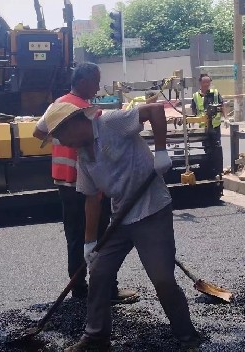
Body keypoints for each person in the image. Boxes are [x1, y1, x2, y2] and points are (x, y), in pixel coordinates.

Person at [39, 101, 200, 351]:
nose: (60, 142)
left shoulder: (110, 123)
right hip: (121, 219)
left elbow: (156, 110)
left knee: (162, 278)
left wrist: (160, 151)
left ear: (74, 124)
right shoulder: (83, 157)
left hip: (151, 210)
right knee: (100, 272)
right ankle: (96, 337)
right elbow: (92, 199)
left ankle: (188, 336)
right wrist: (90, 243)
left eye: (59, 135)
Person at [33, 63, 138, 304]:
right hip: (87, 181)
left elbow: (38, 133)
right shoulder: (87, 112)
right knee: (100, 236)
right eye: (96, 81)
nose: (98, 87)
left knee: (74, 235)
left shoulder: (56, 104)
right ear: (85, 81)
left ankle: (78, 288)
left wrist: (60, 138)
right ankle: (107, 289)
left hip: (63, 182)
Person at [191, 74, 223, 172]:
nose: (206, 84)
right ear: (200, 83)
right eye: (204, 82)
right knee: (206, 147)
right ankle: (210, 168)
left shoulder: (215, 93)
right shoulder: (196, 96)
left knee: (216, 147)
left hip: (215, 125)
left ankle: (217, 169)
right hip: (203, 127)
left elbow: (222, 105)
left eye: (208, 82)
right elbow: (194, 110)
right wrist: (192, 122)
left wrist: (225, 118)